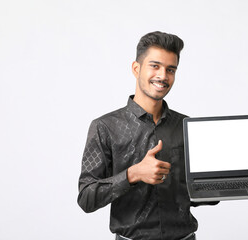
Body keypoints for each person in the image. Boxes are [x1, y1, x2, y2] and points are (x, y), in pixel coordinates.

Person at [77, 31, 216, 240]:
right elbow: (86, 198)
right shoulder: (104, 127)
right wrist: (132, 174)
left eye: (171, 69)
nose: (162, 76)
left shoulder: (187, 126)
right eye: (155, 66)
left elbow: (199, 196)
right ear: (136, 68)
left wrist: (222, 182)